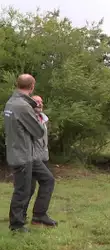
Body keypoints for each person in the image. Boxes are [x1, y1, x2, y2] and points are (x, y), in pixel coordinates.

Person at [2, 74, 57, 232]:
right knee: (23, 190)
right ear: (32, 86)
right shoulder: (22, 106)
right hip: (22, 155)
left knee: (48, 179)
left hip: (28, 154)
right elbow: (38, 131)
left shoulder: (11, 103)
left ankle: (39, 215)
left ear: (17, 84)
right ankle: (17, 224)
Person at [24, 95, 50, 221]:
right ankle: (36, 216)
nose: (39, 104)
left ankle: (27, 215)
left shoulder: (43, 119)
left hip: (43, 157)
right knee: (29, 187)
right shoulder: (28, 119)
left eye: (41, 101)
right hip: (31, 158)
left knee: (31, 187)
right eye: (36, 102)